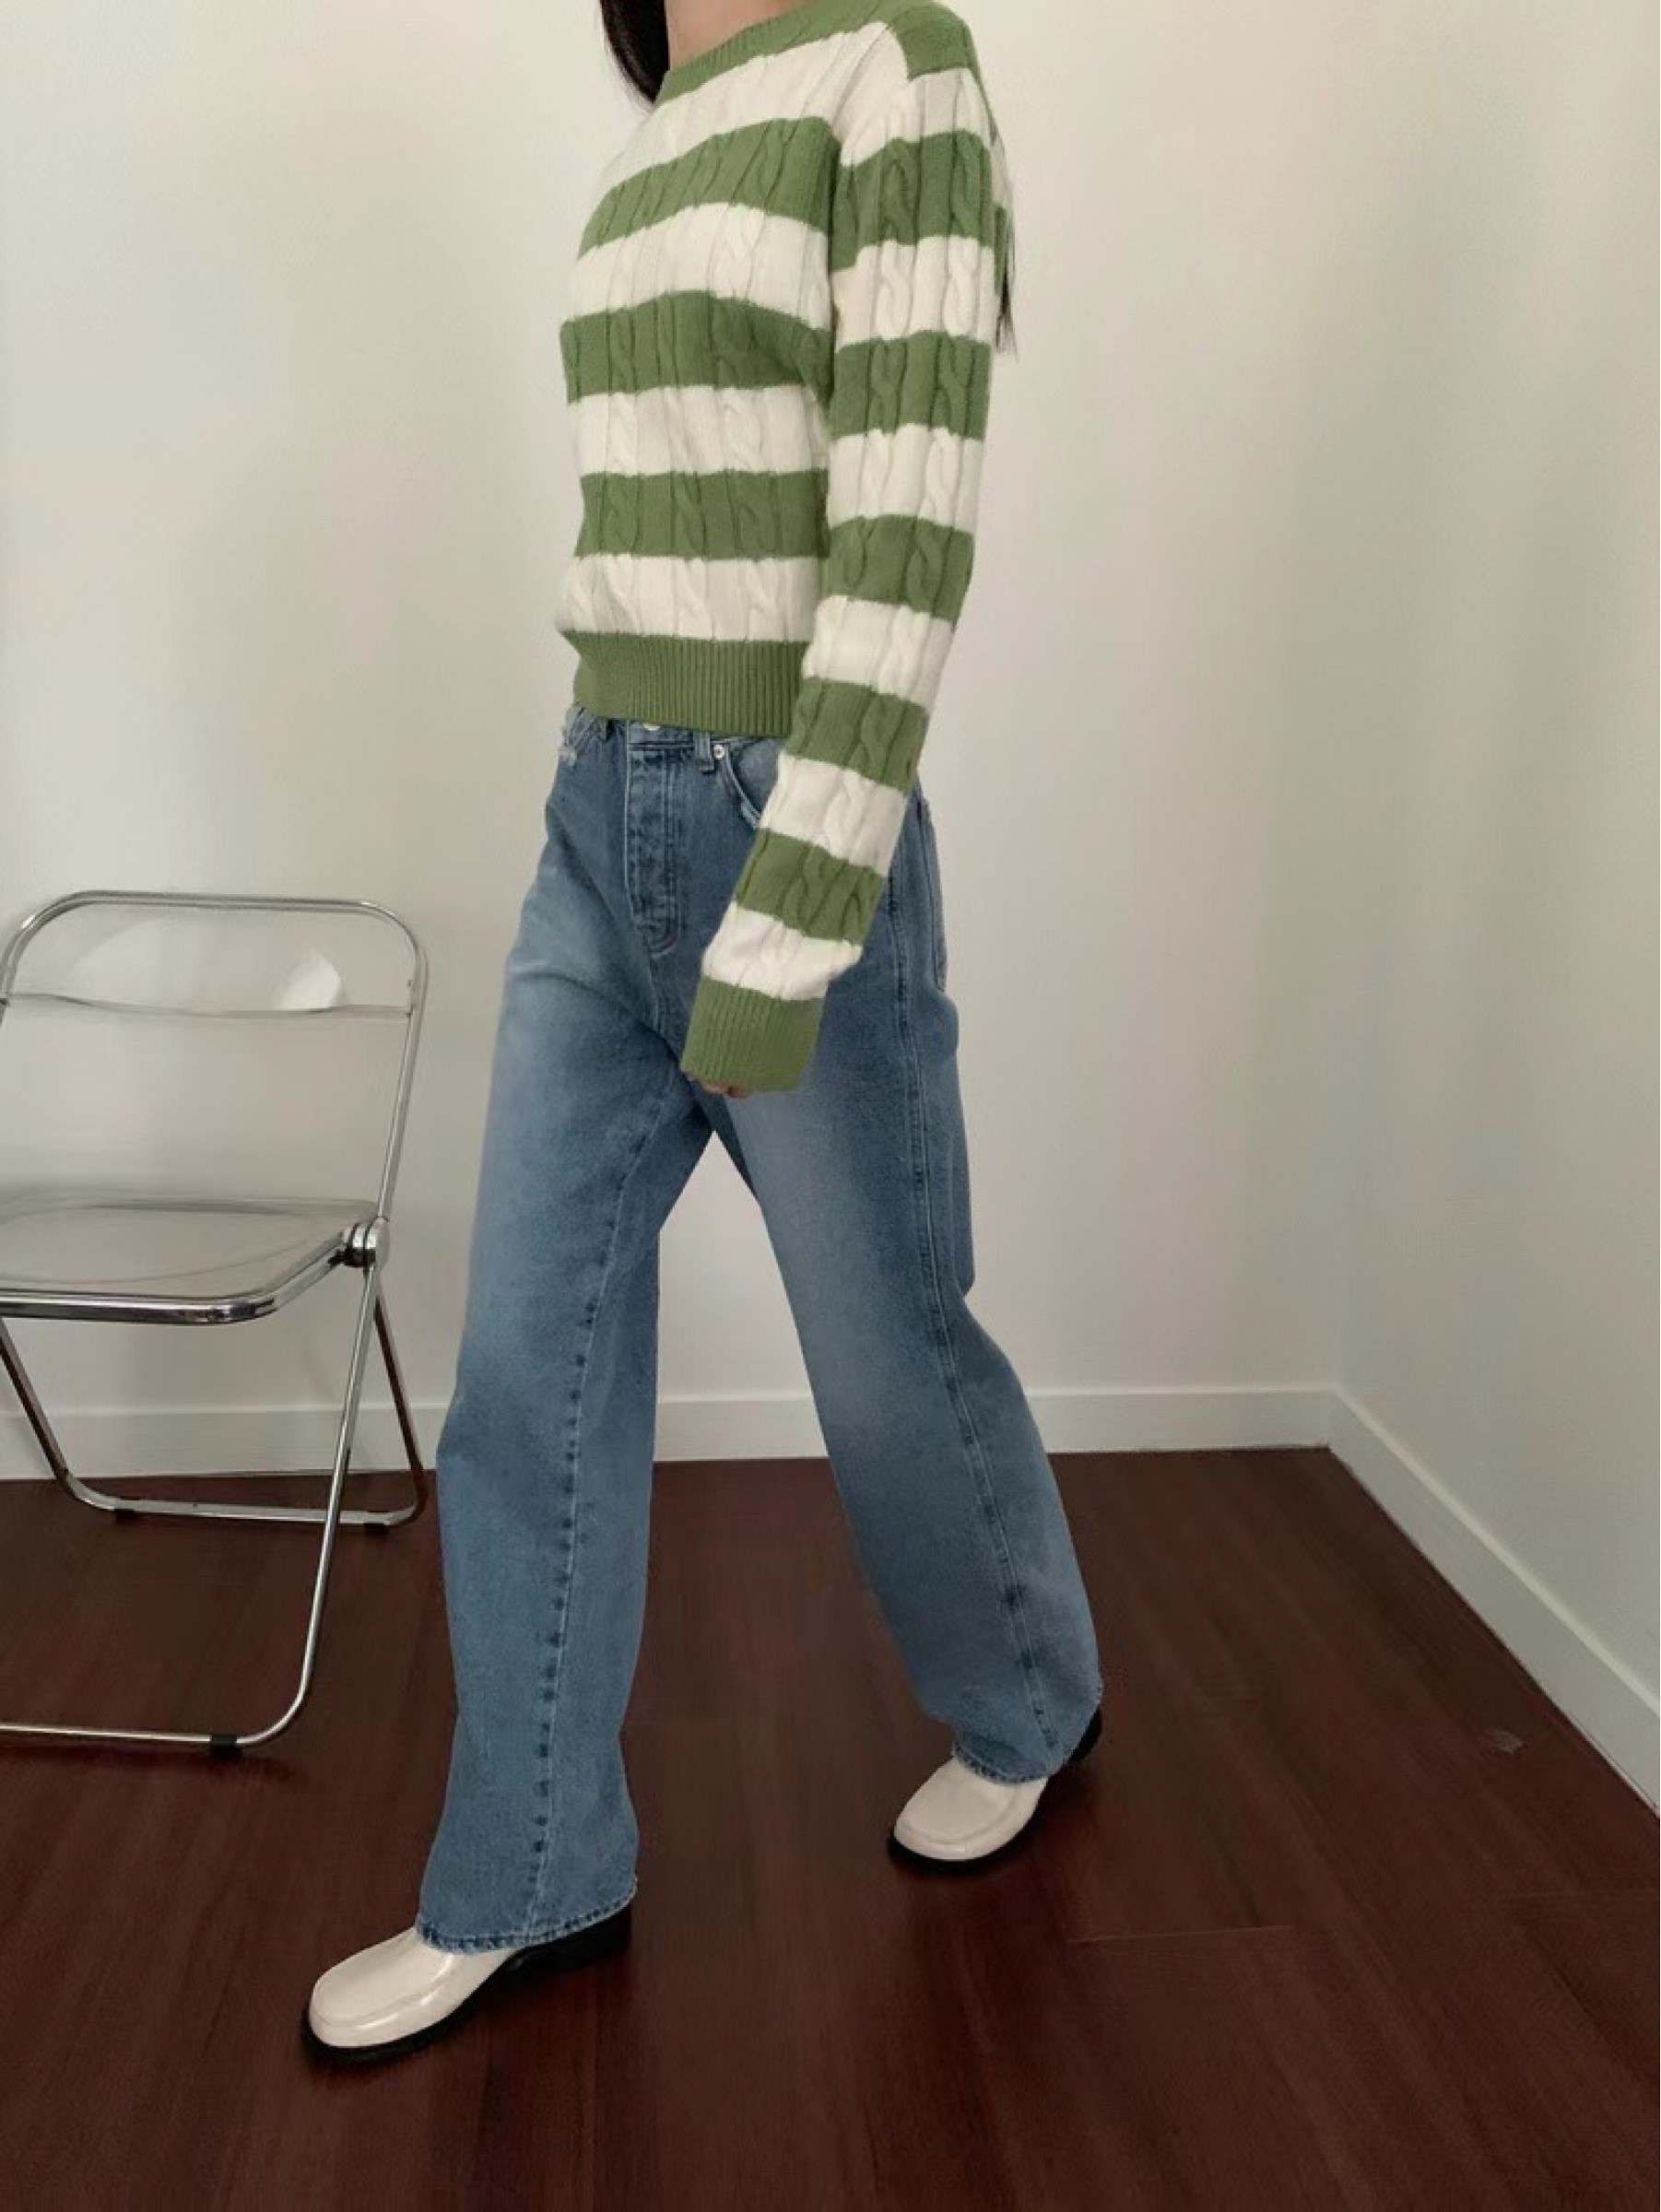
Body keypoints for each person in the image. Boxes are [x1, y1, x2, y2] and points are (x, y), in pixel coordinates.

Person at [305, 0, 1101, 2064]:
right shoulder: (665, 119)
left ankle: (1029, 1694)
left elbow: (901, 541)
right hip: (603, 810)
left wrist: (793, 916)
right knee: (524, 1359)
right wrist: (607, 808)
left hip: (783, 821)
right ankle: (532, 1867)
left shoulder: (896, 69)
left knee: (884, 1342)